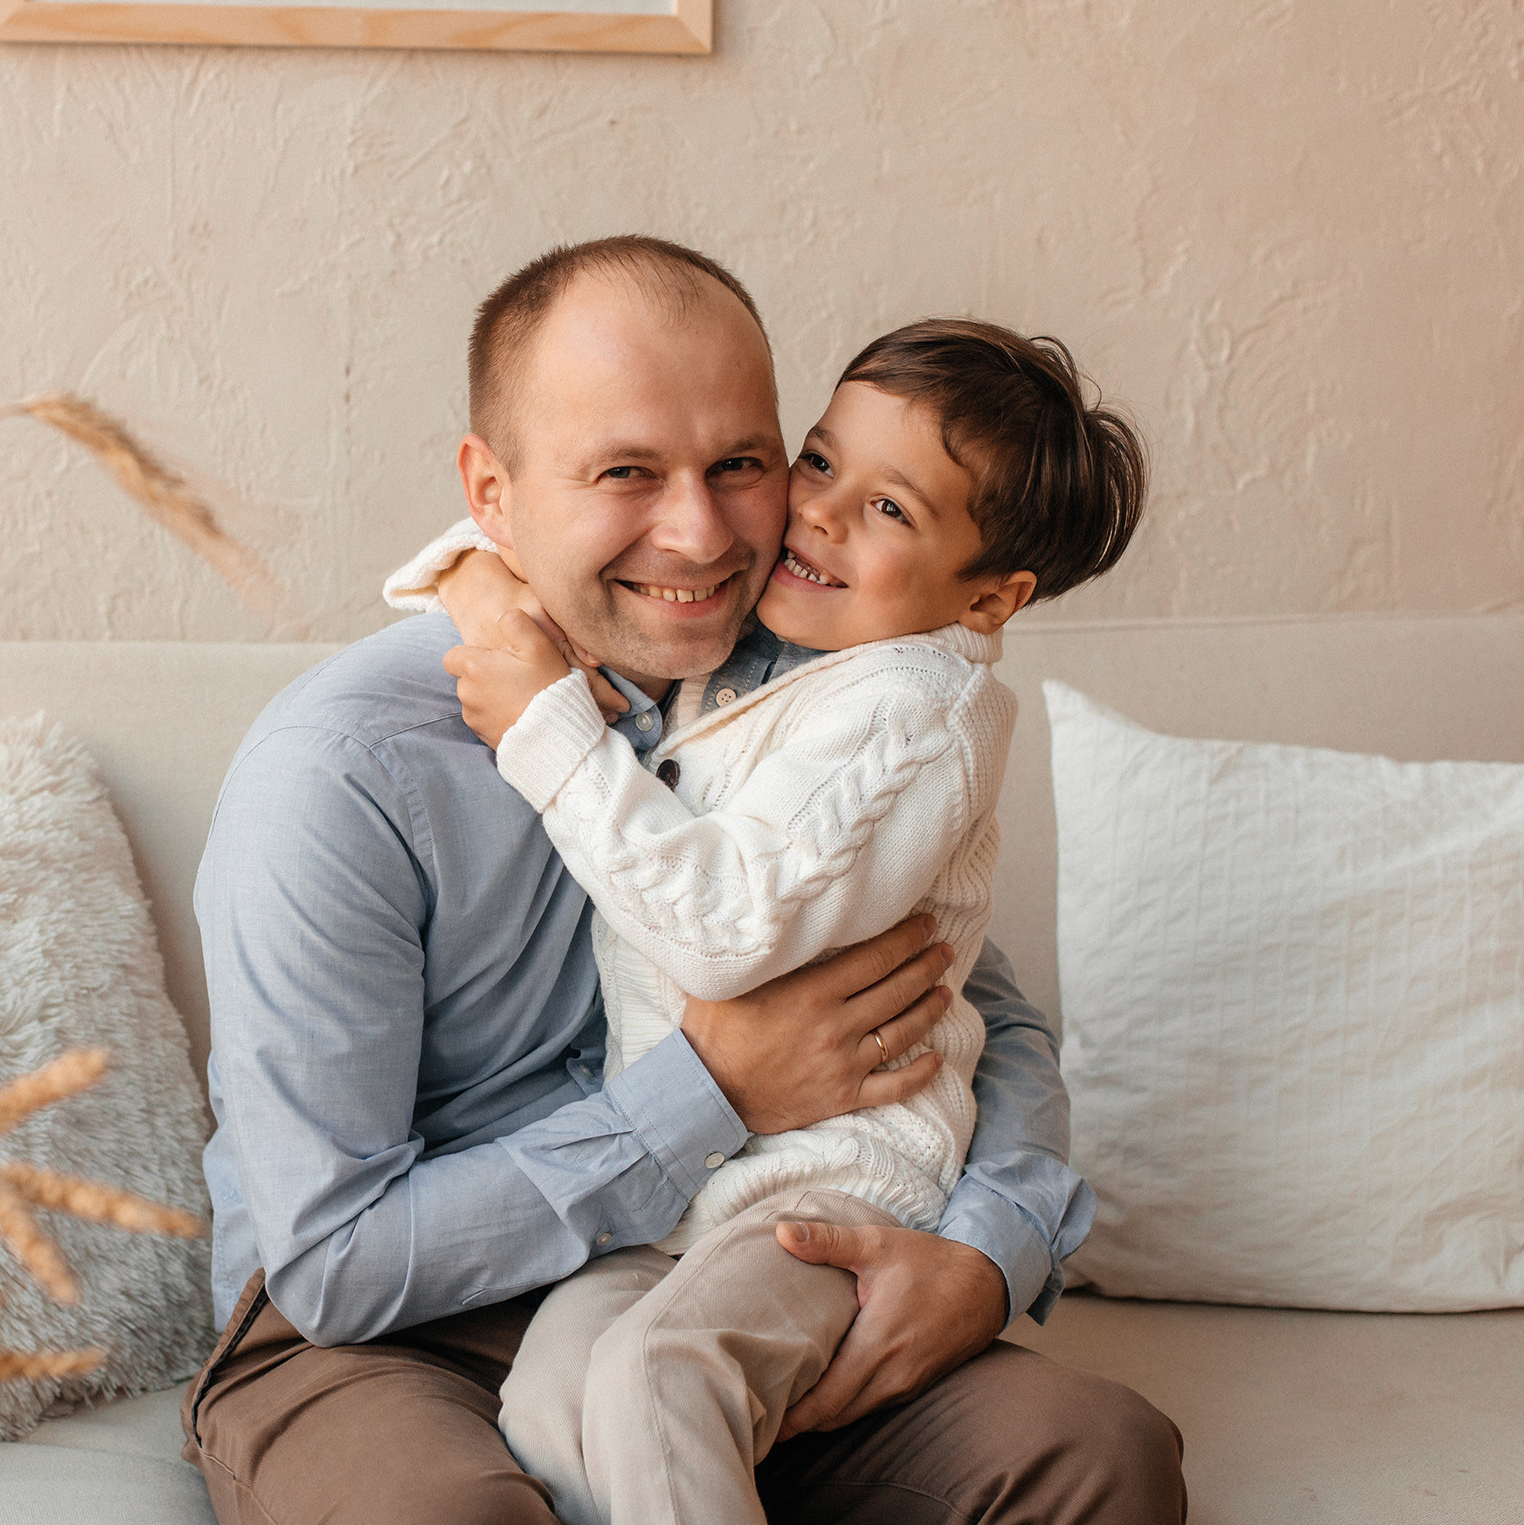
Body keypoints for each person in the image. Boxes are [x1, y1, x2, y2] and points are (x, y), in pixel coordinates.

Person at [183, 236, 1186, 1525]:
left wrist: (988, 1250)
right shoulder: (337, 776)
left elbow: (966, 999)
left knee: (1090, 1447)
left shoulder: (818, 684)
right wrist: (710, 1092)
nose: (702, 531)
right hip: (390, 1335)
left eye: (743, 466)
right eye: (626, 474)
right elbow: (333, 1263)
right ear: (492, 494)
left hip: (716, 1268)